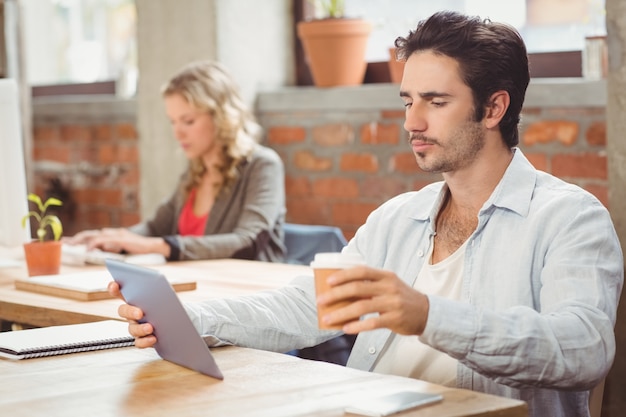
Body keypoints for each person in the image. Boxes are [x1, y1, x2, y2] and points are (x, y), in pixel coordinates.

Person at [109, 11, 623, 417]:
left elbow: (583, 349)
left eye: (435, 102)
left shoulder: (570, 218)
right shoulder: (397, 218)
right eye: (407, 101)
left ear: (493, 109)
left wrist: (426, 315)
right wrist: (189, 319)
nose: (412, 122)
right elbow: (302, 308)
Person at [65, 61, 286, 262]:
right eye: (173, 122)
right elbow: (155, 228)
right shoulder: (196, 171)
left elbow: (248, 242)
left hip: (250, 292)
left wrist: (156, 246)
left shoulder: (263, 166)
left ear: (222, 117)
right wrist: (110, 239)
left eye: (188, 121)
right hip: (204, 290)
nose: (178, 133)